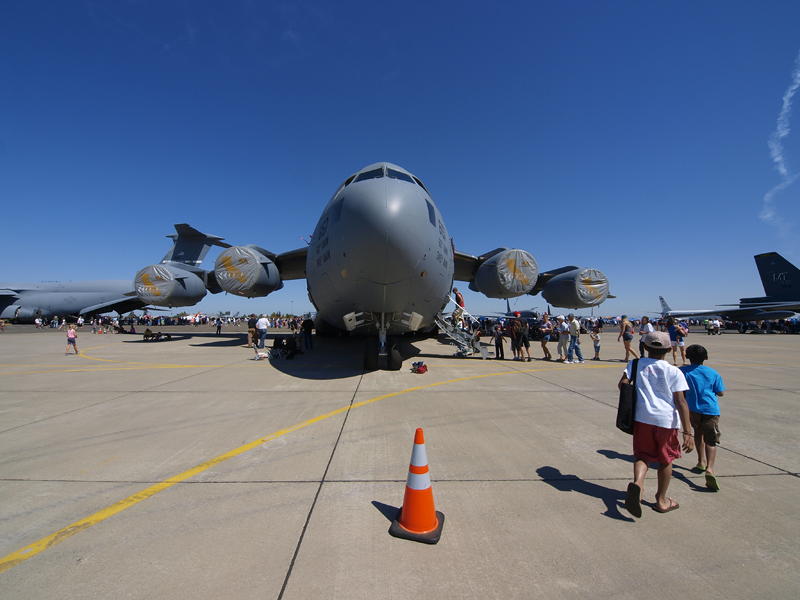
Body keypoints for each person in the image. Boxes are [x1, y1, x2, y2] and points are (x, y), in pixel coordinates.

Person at [619, 331, 694, 517]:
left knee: (642, 456)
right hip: (666, 422)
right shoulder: (674, 371)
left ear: (644, 347)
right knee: (665, 459)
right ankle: (661, 500)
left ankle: (638, 484)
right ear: (669, 350)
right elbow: (681, 402)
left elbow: (622, 385)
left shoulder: (635, 364)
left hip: (642, 418)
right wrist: (687, 431)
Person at [680, 344, 725, 491]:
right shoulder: (712, 373)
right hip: (710, 409)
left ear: (687, 356)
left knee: (698, 433)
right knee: (711, 440)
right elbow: (721, 392)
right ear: (706, 357)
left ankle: (701, 461)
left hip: (693, 409)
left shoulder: (683, 371)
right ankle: (710, 469)